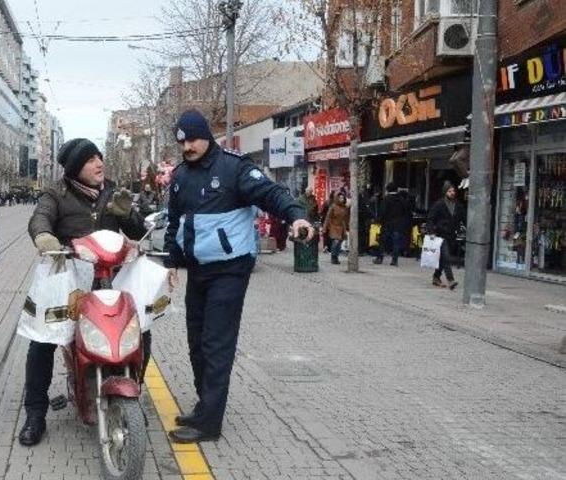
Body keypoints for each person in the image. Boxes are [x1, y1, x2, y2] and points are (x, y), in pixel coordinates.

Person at [163, 110, 312, 443]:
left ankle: (209, 424)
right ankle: (205, 407)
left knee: (216, 343)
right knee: (196, 342)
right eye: (182, 142)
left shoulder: (235, 168)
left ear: (206, 136)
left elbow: (272, 195)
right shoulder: (181, 176)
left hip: (230, 269)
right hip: (198, 270)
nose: (186, 146)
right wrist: (172, 261)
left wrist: (296, 217)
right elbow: (175, 222)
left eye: (192, 139)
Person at [19, 138, 147, 447]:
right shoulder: (55, 194)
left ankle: (130, 386)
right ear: (75, 169)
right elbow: (40, 217)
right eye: (90, 160)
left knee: (141, 328)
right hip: (68, 279)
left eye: (99, 157)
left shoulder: (114, 192)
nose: (99, 163)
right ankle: (35, 414)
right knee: (43, 340)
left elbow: (138, 231)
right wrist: (45, 237)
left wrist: (127, 214)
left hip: (108, 279)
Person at [428, 181, 465, 290]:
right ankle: (451, 280)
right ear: (445, 192)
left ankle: (436, 277)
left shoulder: (458, 205)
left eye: (453, 191)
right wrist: (431, 232)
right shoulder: (439, 204)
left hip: (451, 235)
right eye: (449, 191)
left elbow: (464, 218)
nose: (452, 193)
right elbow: (431, 218)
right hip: (440, 234)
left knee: (442, 258)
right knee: (446, 256)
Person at [373, 183, 411, 266]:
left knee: (382, 241)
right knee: (396, 242)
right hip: (398, 224)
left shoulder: (386, 199)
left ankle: (379, 258)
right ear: (396, 190)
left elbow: (382, 212)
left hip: (387, 224)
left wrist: (378, 220)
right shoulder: (402, 199)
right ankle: (394, 260)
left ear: (387, 190)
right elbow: (406, 212)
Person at [323, 192, 350, 265]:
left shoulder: (345, 207)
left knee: (339, 243)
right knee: (336, 242)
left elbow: (346, 218)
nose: (341, 199)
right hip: (334, 226)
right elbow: (328, 217)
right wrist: (325, 227)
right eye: (340, 198)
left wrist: (347, 227)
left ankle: (336, 256)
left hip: (342, 226)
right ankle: (333, 257)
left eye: (342, 198)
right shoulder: (333, 207)